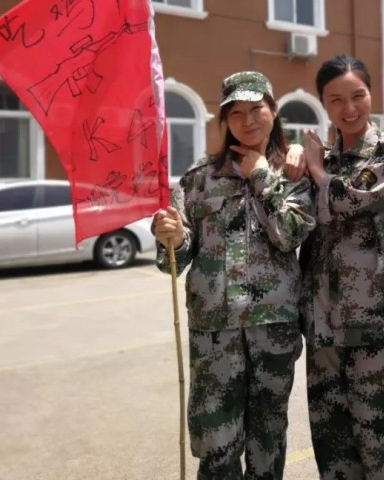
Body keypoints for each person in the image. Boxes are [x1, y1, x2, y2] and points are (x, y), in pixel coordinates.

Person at [152, 71, 316, 480]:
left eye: (257, 108)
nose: (248, 120)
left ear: (274, 111)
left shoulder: (294, 176)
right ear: (225, 119)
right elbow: (174, 260)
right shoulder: (198, 179)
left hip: (272, 330)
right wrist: (173, 238)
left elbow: (289, 234)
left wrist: (261, 175)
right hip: (214, 333)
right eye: (236, 112)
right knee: (217, 445)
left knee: (267, 442)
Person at [297, 54, 384, 480]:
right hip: (322, 322)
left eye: (358, 96)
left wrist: (314, 169)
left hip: (375, 321)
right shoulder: (322, 157)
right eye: (335, 100)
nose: (349, 108)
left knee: (377, 433)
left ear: (371, 95)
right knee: (330, 436)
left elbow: (353, 199)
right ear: (323, 104)